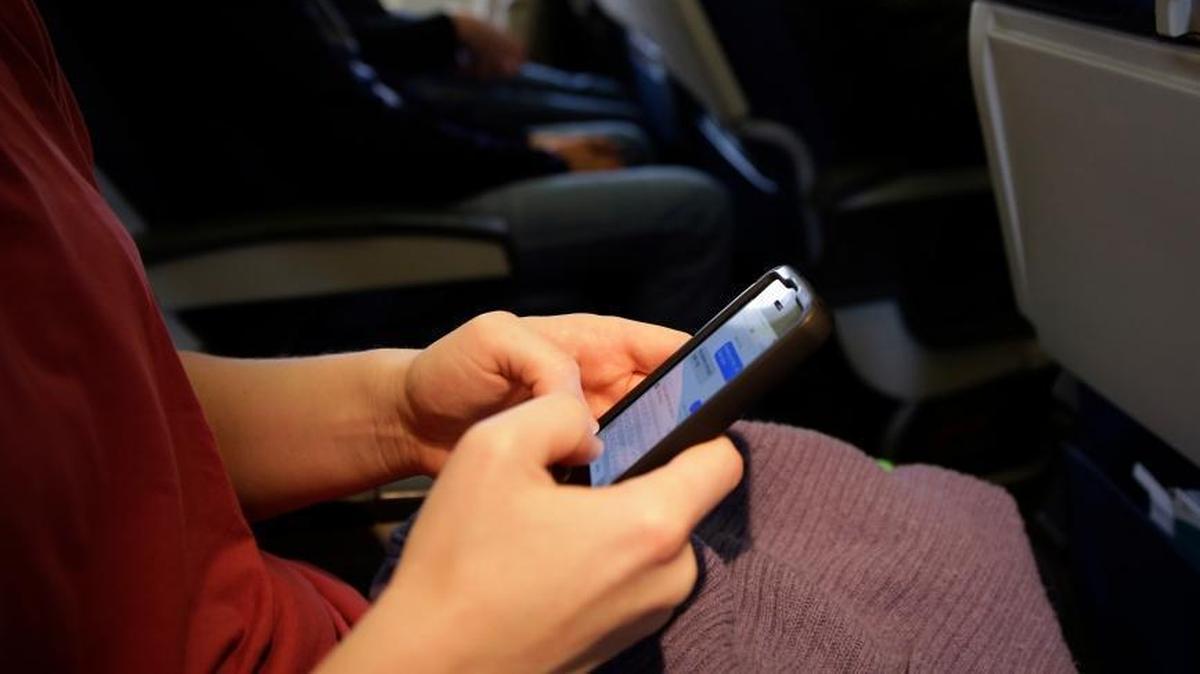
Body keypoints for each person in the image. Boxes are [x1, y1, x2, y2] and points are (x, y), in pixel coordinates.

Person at [2, 3, 1076, 670]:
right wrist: (458, 652)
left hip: (331, 613)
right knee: (944, 531)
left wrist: (400, 407)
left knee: (928, 524)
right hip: (399, 637)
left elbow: (91, 400)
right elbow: (342, 132)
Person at [44, 0, 731, 330]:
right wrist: (532, 159)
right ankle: (645, 455)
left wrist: (447, 31)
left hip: (361, 183)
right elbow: (355, 141)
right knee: (690, 209)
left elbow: (344, 61)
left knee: (623, 141)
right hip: (342, 226)